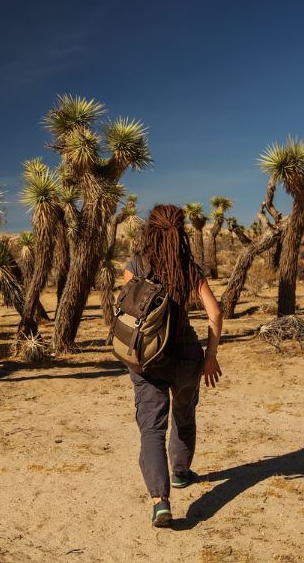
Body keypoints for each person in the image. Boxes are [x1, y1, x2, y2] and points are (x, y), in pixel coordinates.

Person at [123, 204, 223, 528]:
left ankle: (160, 502)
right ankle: (180, 474)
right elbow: (215, 313)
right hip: (186, 356)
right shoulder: (189, 268)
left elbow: (127, 310)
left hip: (147, 359)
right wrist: (210, 356)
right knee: (184, 415)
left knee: (152, 428)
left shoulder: (136, 265)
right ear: (181, 232)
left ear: (149, 231)